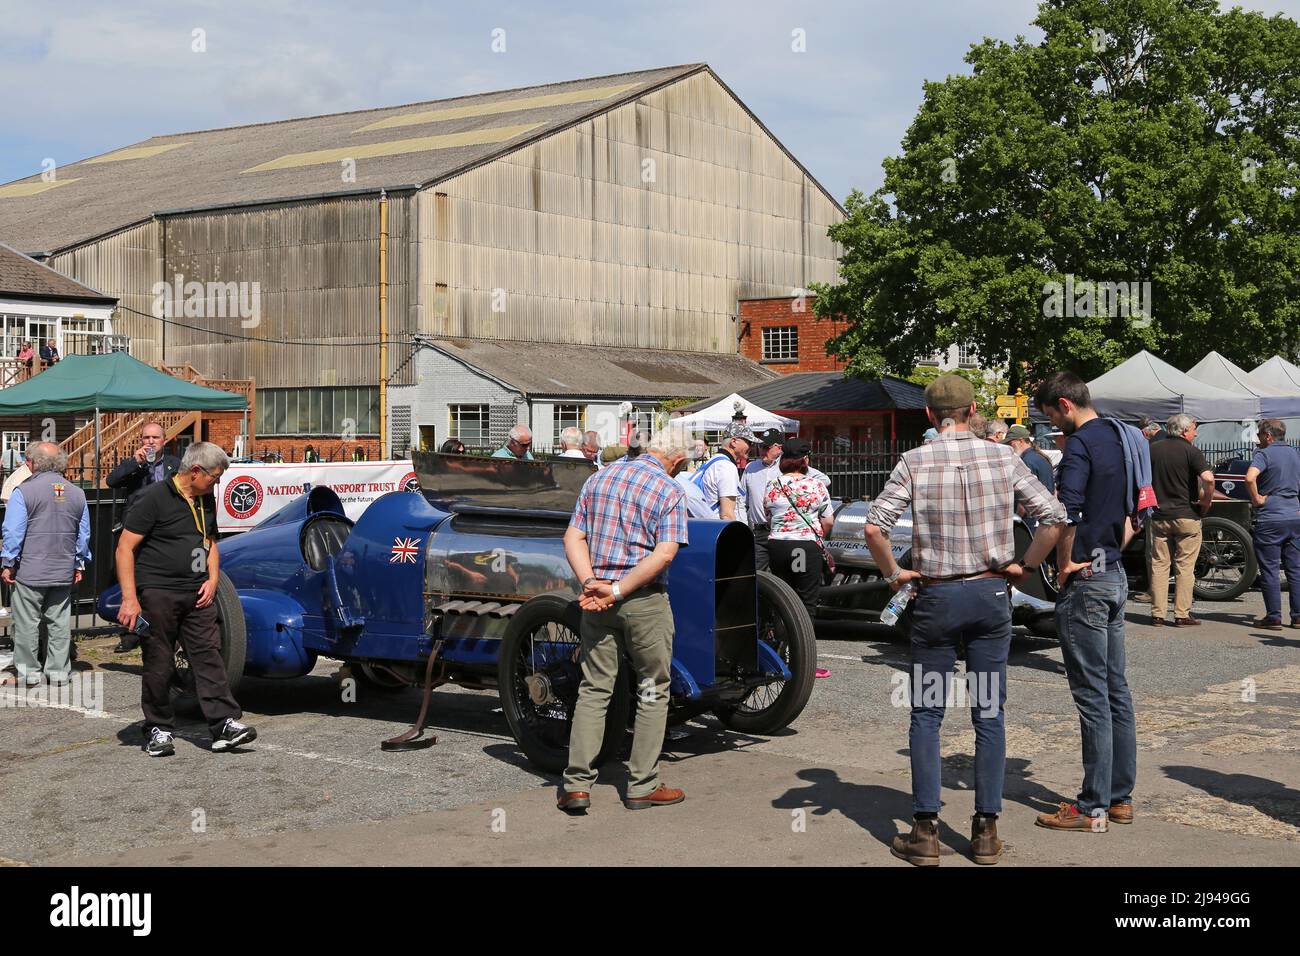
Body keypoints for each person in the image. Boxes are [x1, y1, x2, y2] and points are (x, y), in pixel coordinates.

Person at [865, 374, 1065, 866]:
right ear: (974, 409)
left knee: (928, 713)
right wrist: (1026, 567)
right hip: (991, 594)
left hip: (937, 599)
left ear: (930, 415)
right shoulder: (1003, 456)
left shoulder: (914, 461)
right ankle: (986, 832)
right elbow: (1055, 517)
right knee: (989, 711)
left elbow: (874, 527)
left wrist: (893, 572)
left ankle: (926, 830)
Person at [559, 427, 690, 814]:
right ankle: (641, 785)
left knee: (594, 689)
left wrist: (591, 584)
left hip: (596, 598)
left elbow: (572, 537)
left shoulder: (599, 477)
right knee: (651, 690)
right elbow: (665, 555)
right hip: (642, 601)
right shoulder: (668, 490)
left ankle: (577, 785)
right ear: (677, 461)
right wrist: (617, 590)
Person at [1033, 371, 1140, 833]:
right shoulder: (1122, 436)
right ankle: (1119, 798)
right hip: (1114, 573)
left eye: (1052, 417)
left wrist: (1059, 563)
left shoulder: (1080, 445)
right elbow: (1137, 510)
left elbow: (1065, 513)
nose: (1053, 427)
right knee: (1116, 689)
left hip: (1089, 581)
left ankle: (1092, 805)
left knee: (1092, 695)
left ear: (1064, 404)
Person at [115, 442, 257, 756]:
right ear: (194, 472)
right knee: (159, 662)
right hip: (158, 593)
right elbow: (124, 548)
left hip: (197, 594)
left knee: (209, 656)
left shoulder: (205, 499)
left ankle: (223, 724)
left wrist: (213, 579)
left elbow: (210, 542)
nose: (217, 483)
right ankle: (158, 728)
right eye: (214, 477)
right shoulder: (154, 498)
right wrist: (130, 599)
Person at [0, 443, 90, 687]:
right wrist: (79, 564)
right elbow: (83, 535)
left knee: (27, 623)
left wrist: (9, 562)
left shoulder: (24, 491)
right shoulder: (77, 493)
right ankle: (59, 672)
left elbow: (13, 532)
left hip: (31, 569)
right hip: (63, 568)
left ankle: (28, 673)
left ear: (33, 463)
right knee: (59, 622)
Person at [763, 437, 834, 680]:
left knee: (782, 599)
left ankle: (777, 658)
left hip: (779, 545)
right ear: (805, 460)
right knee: (806, 603)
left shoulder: (773, 484)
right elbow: (828, 520)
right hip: (804, 547)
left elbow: (767, 513)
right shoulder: (816, 485)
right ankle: (802, 661)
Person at [1147, 414, 1214, 627]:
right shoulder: (1191, 451)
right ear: (1185, 431)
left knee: (1159, 565)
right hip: (1186, 515)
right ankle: (1181, 614)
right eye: (1194, 429)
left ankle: (1157, 614)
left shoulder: (1153, 450)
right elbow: (1208, 478)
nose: (1195, 433)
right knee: (1184, 567)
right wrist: (1206, 501)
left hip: (1159, 516)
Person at [1243, 419, 1300, 629]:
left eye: (1259, 435)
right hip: (1294, 515)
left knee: (1270, 569)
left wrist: (1257, 498)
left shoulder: (1263, 454)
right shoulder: (1295, 453)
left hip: (1271, 517)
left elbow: (1250, 478)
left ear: (1268, 436)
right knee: (1295, 569)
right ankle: (1298, 616)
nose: (1257, 439)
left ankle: (1274, 617)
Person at [106, 422, 181, 511]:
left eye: (155, 437)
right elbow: (111, 481)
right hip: (139, 516)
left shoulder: (175, 463)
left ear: (164, 441)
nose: (151, 441)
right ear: (141, 441)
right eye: (146, 437)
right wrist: (136, 462)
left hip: (167, 515)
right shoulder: (132, 464)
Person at [684, 422, 751, 520]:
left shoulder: (714, 461)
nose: (751, 447)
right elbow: (727, 515)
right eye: (749, 442)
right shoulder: (726, 467)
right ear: (733, 442)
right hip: (721, 531)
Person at [1003, 425, 1055, 533]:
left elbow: (1024, 496)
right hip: (1044, 517)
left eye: (1010, 443)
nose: (1009, 447)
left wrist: (1017, 520)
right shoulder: (1041, 457)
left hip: (1031, 520)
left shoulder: (1026, 461)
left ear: (1020, 441)